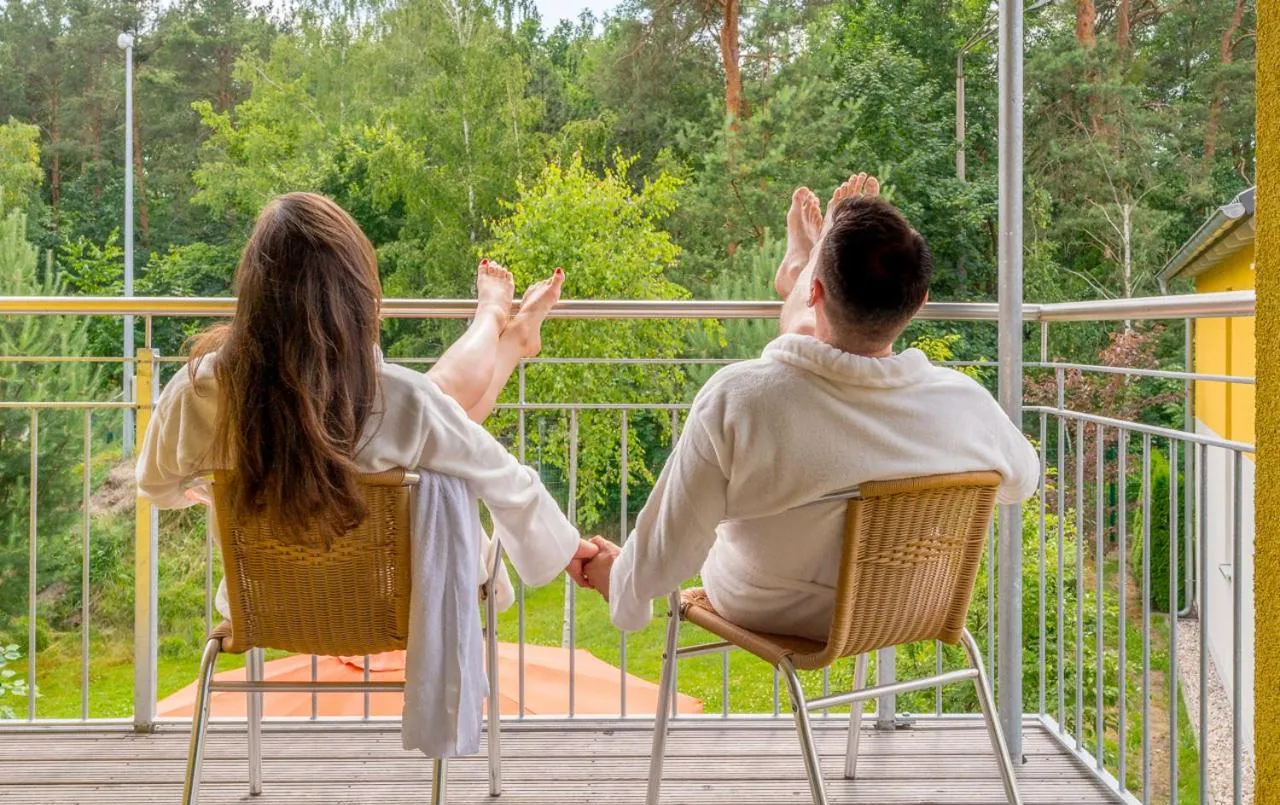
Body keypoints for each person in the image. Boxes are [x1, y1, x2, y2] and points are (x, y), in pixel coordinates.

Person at [573, 174, 1039, 640]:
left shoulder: (739, 398)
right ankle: (806, 260)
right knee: (798, 346)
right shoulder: (963, 404)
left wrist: (618, 575)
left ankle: (806, 261)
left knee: (794, 346)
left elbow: (665, 555)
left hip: (770, 604)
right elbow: (1023, 481)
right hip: (905, 607)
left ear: (816, 294)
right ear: (918, 304)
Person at [136, 191, 596, 616]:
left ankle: (508, 332)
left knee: (438, 413)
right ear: (356, 296)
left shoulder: (197, 390)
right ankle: (502, 327)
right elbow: (502, 476)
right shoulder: (396, 398)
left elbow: (156, 486)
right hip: (398, 598)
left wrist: (220, 487)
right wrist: (569, 548)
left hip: (270, 604)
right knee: (443, 418)